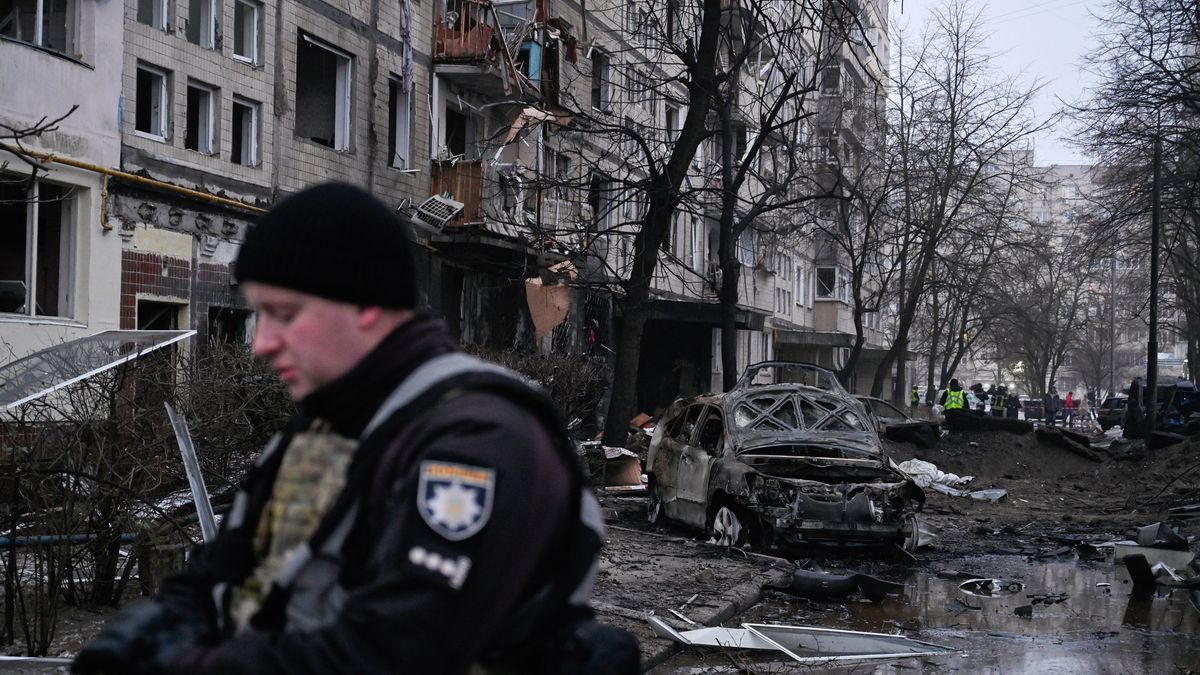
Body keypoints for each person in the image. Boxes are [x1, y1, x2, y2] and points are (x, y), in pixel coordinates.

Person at [73, 183, 637, 675]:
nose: (263, 341)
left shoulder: (481, 439)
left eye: (285, 314)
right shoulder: (325, 430)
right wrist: (139, 639)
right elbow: (223, 573)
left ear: (366, 305)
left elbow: (397, 651)